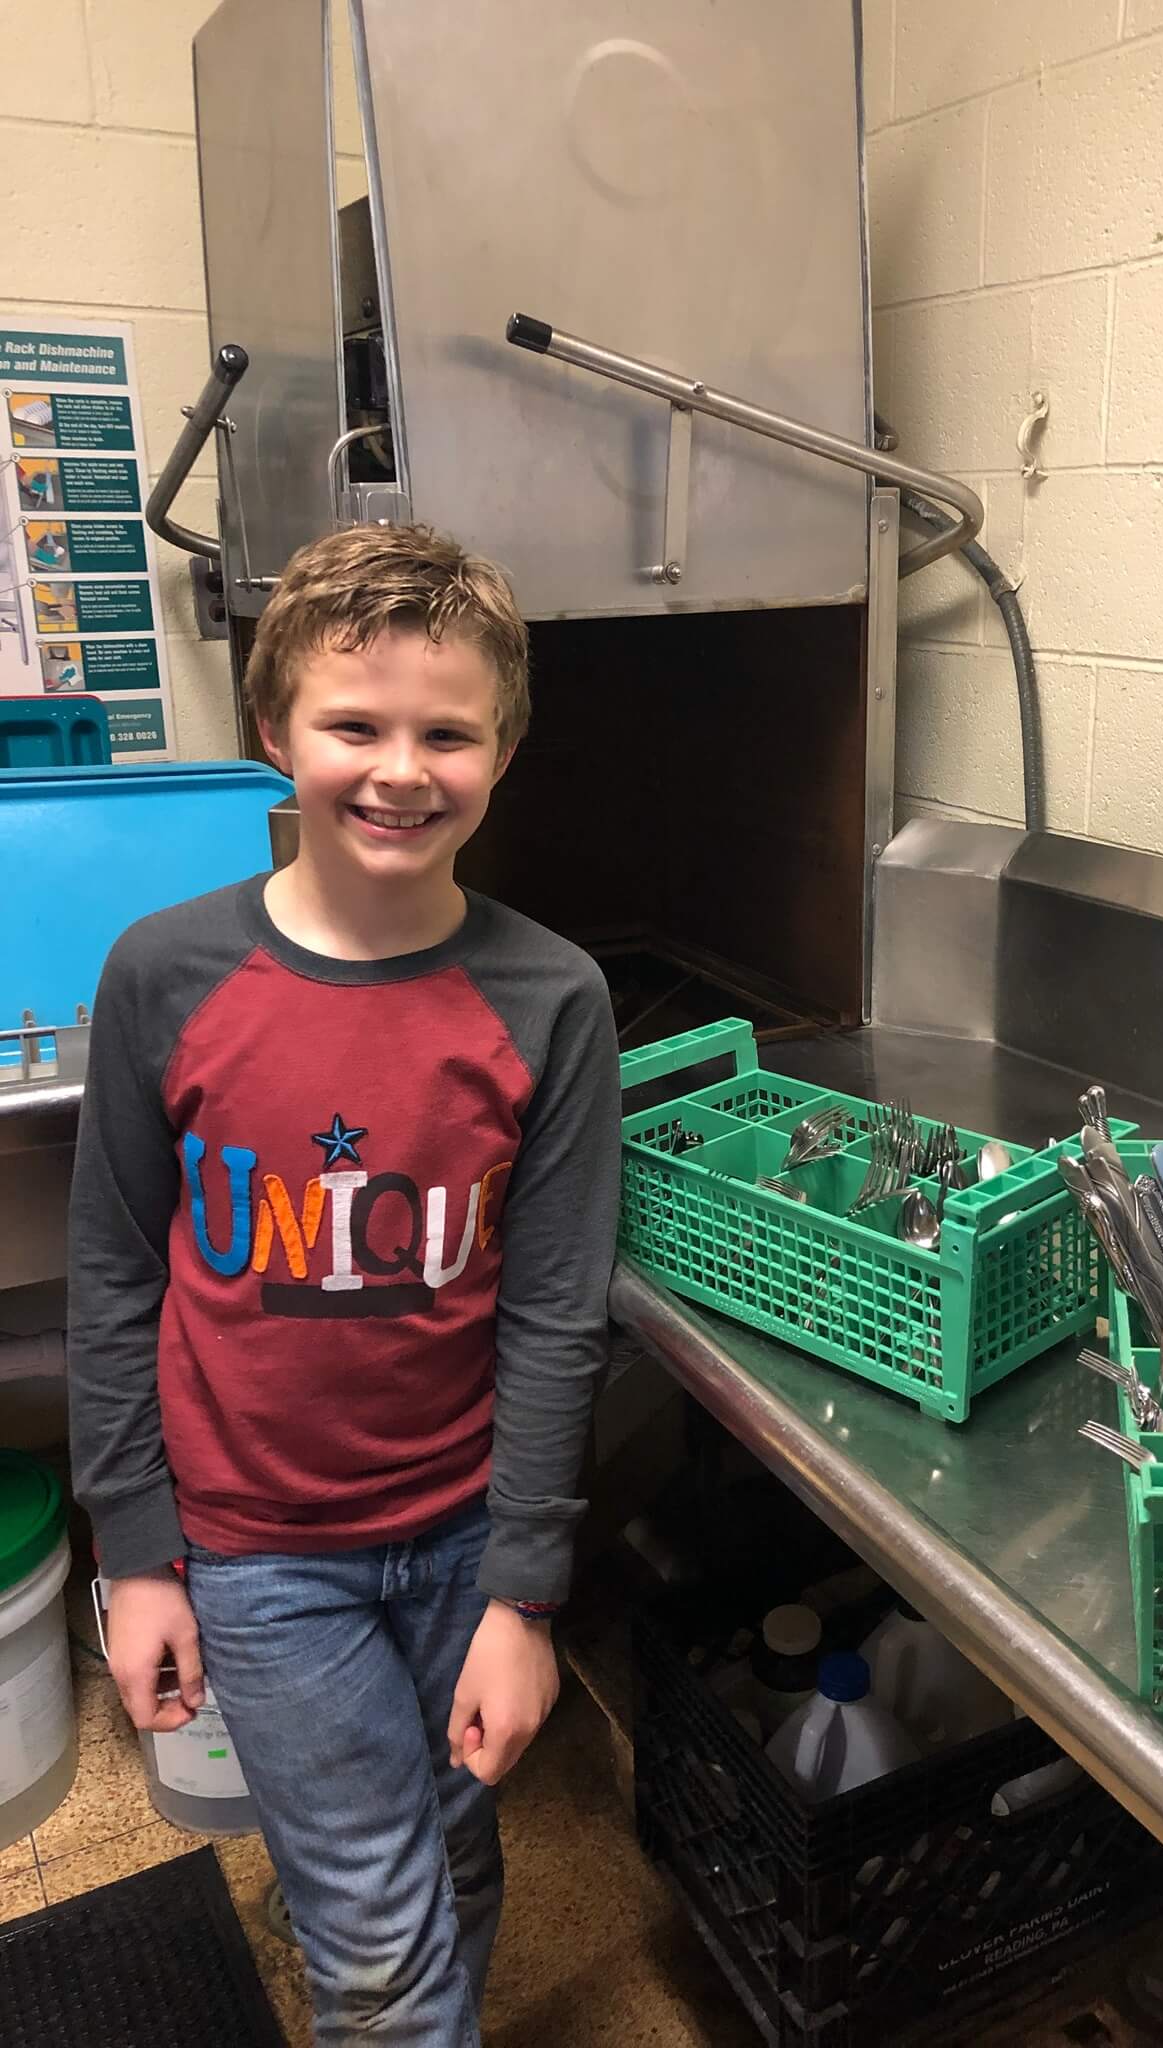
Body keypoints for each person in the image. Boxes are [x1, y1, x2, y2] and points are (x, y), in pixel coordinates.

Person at [68, 523, 621, 2043]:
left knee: (454, 1851)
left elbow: (555, 1310)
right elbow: (115, 1277)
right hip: (261, 1556)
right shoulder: (163, 977)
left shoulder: (551, 997)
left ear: (501, 746)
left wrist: (525, 1593)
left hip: (462, 1542)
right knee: (372, 1932)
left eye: (447, 731)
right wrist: (136, 1554)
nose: (401, 769)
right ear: (273, 732)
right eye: (354, 725)